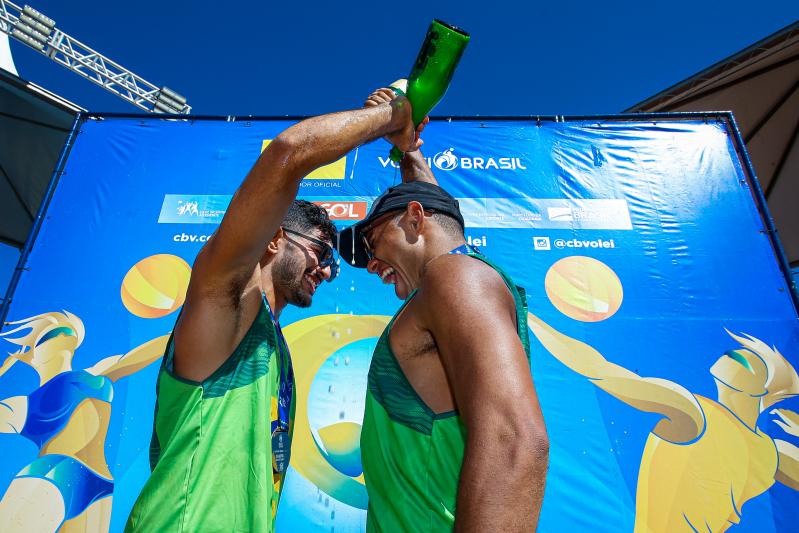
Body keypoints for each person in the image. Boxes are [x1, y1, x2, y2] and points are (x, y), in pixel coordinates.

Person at [125, 92, 423, 533]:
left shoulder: (274, 348)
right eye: (321, 252)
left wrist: (410, 151)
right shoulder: (224, 301)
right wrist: (387, 116)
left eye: (332, 263)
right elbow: (289, 153)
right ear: (272, 239)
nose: (326, 271)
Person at [337, 86, 550, 532]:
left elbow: (515, 439)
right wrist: (409, 150)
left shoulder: (455, 278)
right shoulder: (459, 279)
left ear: (414, 220)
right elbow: (442, 217)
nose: (372, 264)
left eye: (374, 242)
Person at [527, 314, 799, 531]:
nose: (732, 353)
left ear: (761, 390)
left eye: (743, 359)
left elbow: (600, 370)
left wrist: (527, 317)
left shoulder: (703, 417)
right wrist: (531, 319)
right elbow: (601, 370)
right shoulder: (698, 414)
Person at [0, 311, 167, 533]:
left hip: (99, 484)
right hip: (54, 471)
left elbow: (134, 357)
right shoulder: (22, 404)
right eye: (50, 336)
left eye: (67, 332)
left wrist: (177, 332)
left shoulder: (96, 372)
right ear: (31, 355)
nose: (63, 336)